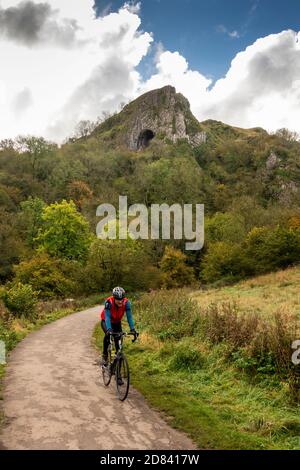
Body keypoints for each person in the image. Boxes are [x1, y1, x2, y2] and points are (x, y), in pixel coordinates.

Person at [100, 286, 138, 366]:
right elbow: (107, 317)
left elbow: (129, 317)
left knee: (119, 344)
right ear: (114, 298)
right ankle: (105, 355)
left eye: (122, 299)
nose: (120, 301)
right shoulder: (109, 302)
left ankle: (118, 370)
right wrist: (109, 329)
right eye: (118, 299)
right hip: (106, 322)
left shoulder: (126, 303)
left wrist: (132, 329)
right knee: (108, 335)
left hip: (117, 322)